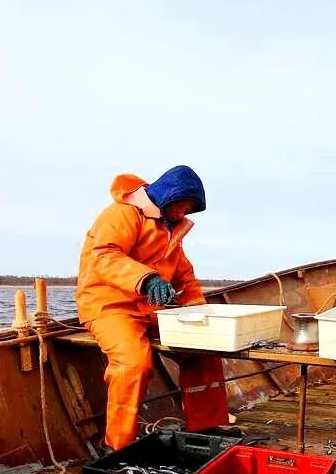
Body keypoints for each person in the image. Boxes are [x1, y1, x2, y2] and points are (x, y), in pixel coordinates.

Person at [76, 166, 229, 450]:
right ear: (169, 195)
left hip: (153, 312)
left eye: (190, 208)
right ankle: (117, 446)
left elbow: (185, 277)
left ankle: (206, 429)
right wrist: (146, 279)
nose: (185, 212)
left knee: (203, 351)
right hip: (110, 306)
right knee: (133, 362)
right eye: (184, 204)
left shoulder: (170, 229)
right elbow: (103, 256)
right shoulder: (121, 213)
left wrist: (201, 315)